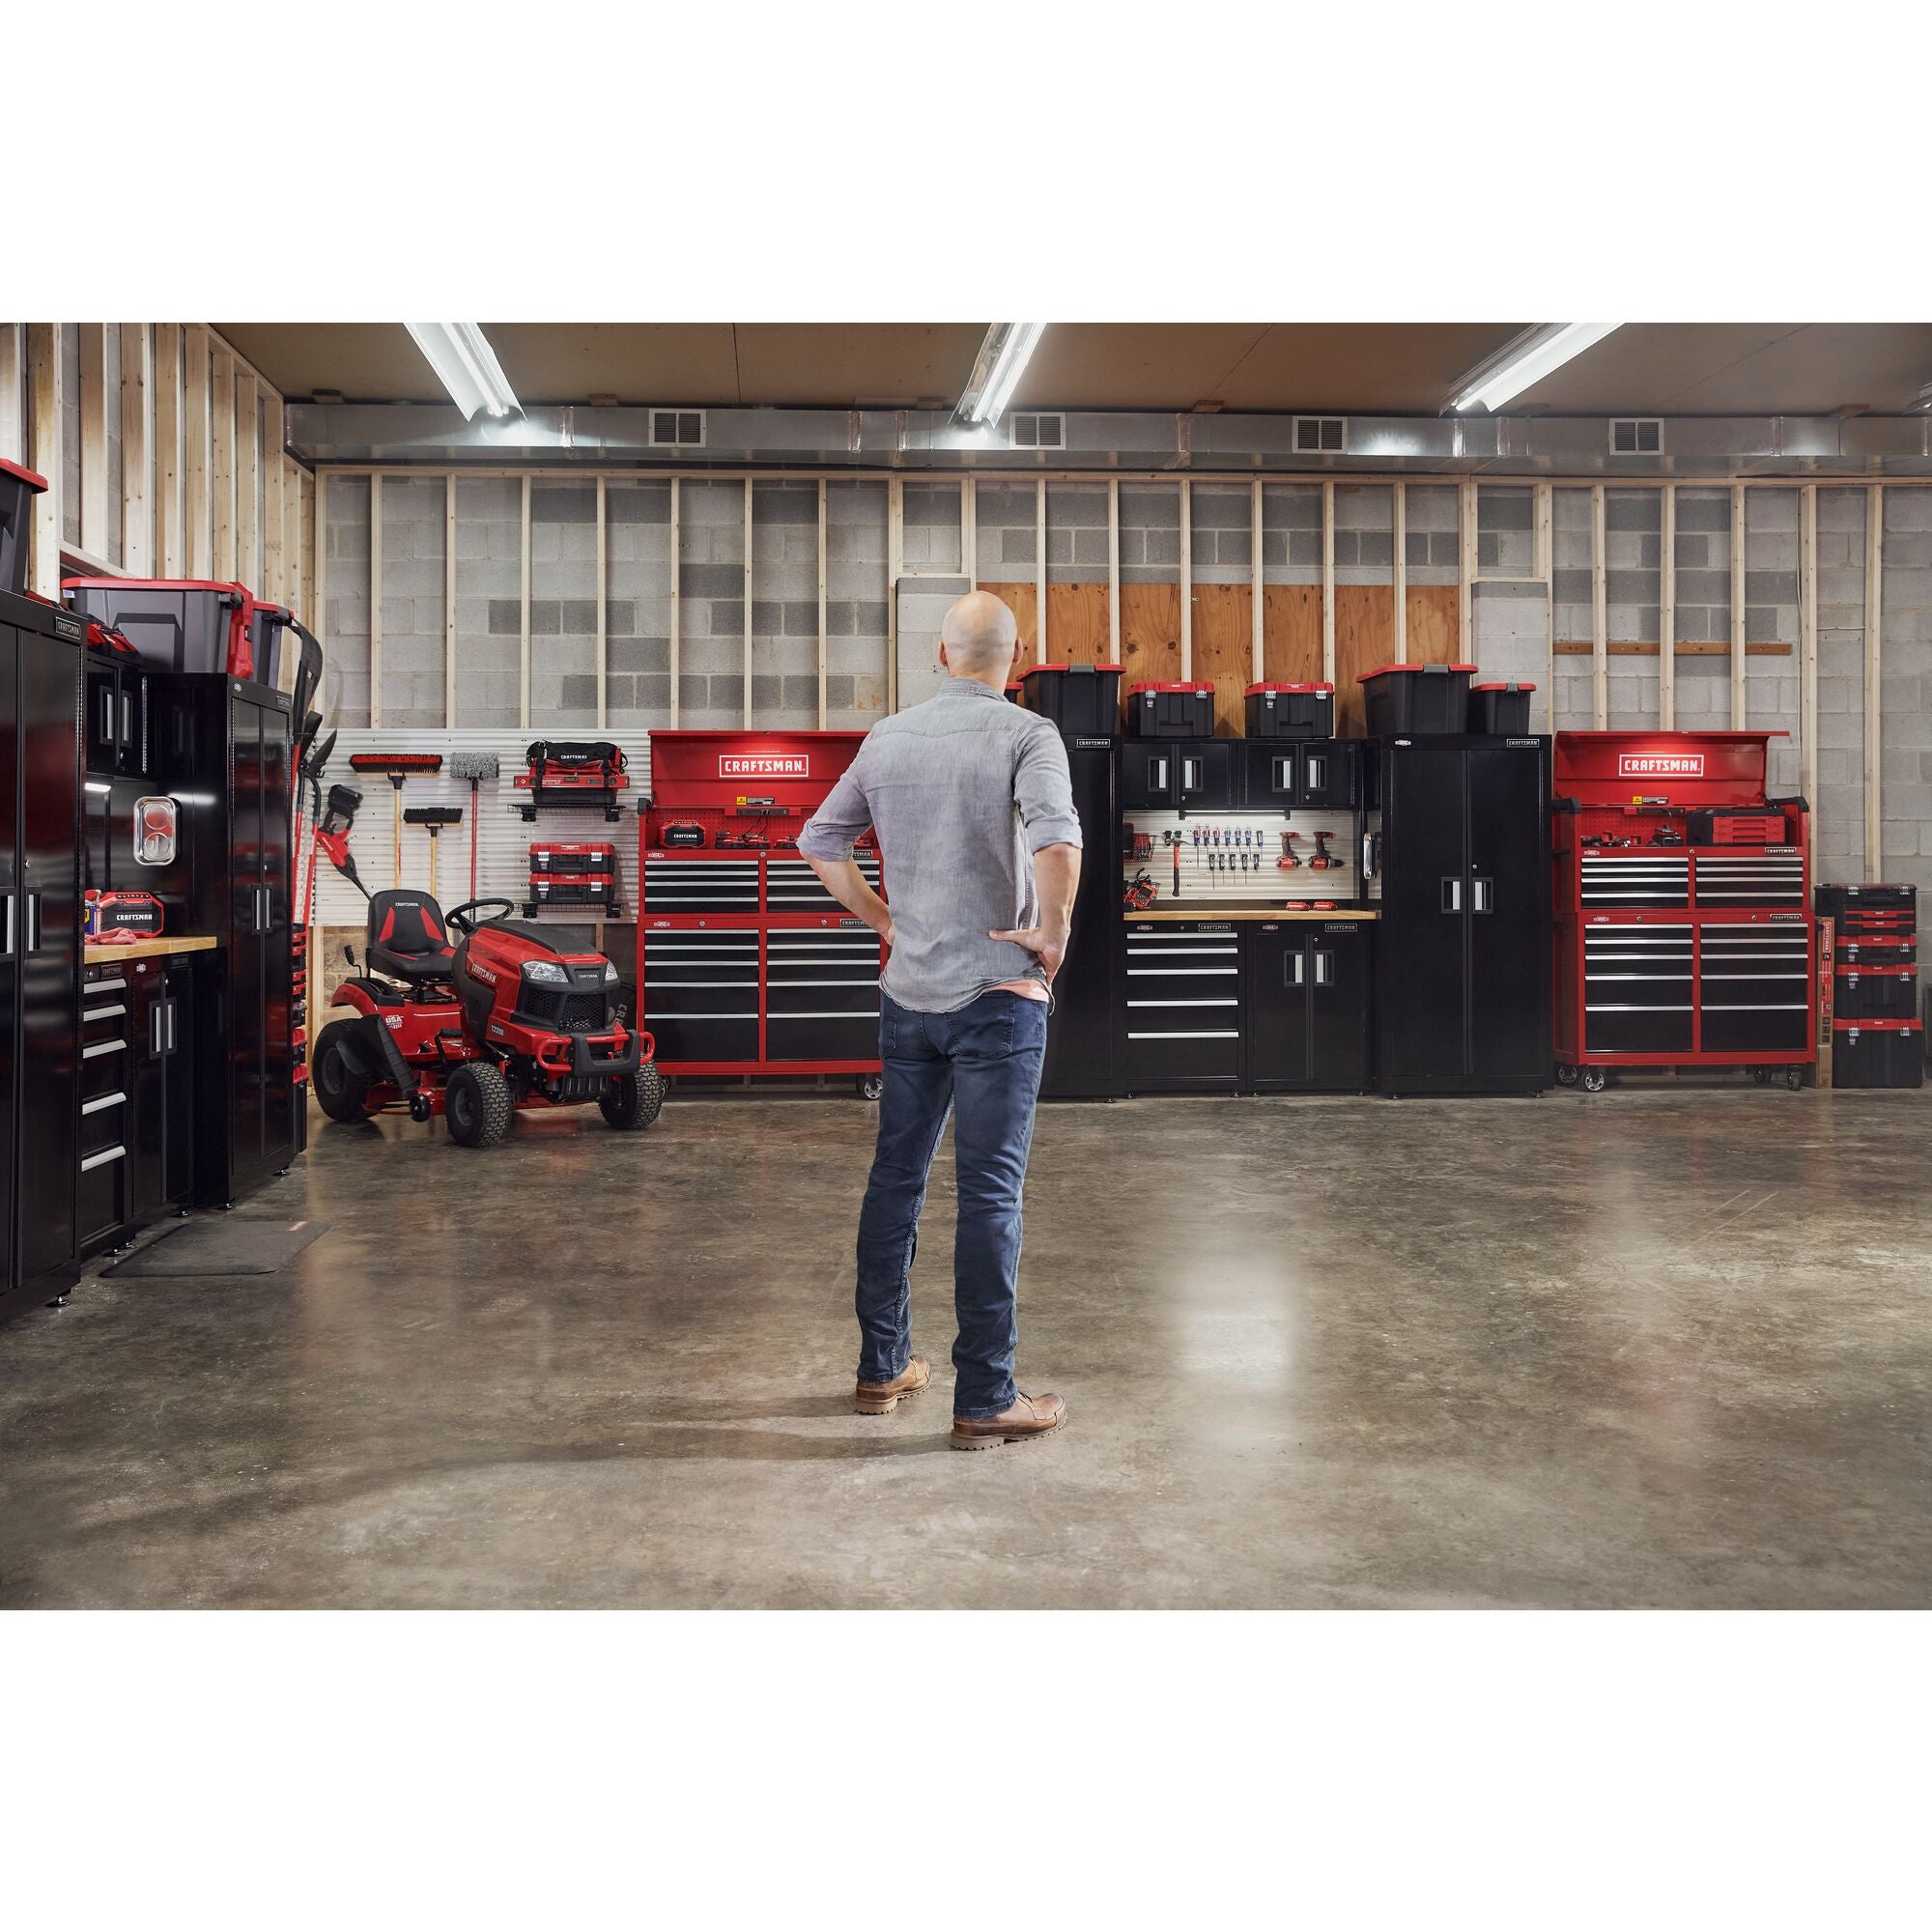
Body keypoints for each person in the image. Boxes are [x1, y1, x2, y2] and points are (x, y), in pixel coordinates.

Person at [798, 591, 1082, 1449]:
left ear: (940, 653)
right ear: (1016, 657)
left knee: (897, 1179)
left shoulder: (887, 737)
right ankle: (985, 1396)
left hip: (908, 996)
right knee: (990, 1192)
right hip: (999, 994)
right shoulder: (1028, 734)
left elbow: (820, 842)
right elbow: (1056, 840)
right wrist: (1054, 933)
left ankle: (883, 1366)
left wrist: (887, 922)